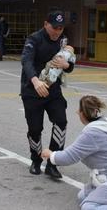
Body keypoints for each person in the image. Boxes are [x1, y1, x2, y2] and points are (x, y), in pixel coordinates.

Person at [41, 96, 107, 210]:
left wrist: (51, 155)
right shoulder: (105, 124)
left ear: (83, 113)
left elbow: (69, 157)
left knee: (89, 207)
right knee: (82, 196)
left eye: (79, 110)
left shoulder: (92, 133)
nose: (77, 112)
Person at [20, 10, 74, 179]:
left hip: (54, 91)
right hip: (33, 90)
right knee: (35, 129)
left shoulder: (62, 41)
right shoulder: (34, 39)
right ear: (45, 24)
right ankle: (36, 160)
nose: (57, 31)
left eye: (60, 28)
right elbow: (26, 61)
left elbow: (70, 65)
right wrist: (35, 81)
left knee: (61, 122)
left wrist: (67, 65)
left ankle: (52, 162)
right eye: (54, 27)